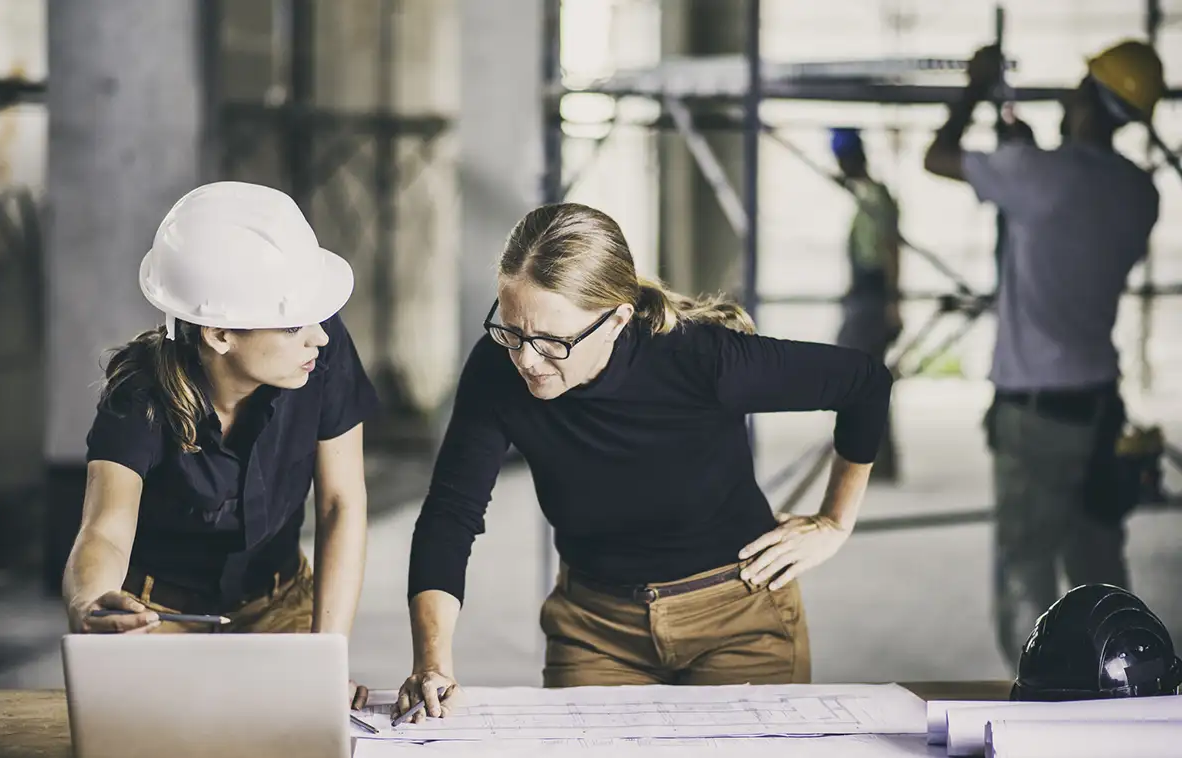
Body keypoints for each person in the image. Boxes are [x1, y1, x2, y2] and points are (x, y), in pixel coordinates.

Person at [394, 202, 894, 721]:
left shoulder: (703, 360)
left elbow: (865, 383)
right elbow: (450, 515)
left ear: (617, 320)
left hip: (737, 616)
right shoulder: (497, 370)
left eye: (552, 342)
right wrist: (433, 662)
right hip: (595, 627)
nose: (526, 359)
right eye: (513, 331)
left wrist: (834, 521)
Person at [61, 181, 379, 706]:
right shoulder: (139, 395)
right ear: (219, 334)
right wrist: (91, 604)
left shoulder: (320, 352)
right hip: (158, 618)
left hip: (281, 603)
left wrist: (325, 654)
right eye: (294, 323)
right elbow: (104, 531)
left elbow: (341, 503)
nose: (319, 336)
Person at [923, 41, 1165, 667]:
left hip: (1038, 416)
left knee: (1025, 568)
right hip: (1100, 406)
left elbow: (938, 157)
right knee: (1097, 562)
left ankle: (1041, 697)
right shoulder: (1140, 193)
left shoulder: (1041, 174)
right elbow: (1064, 212)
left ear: (1088, 101)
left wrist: (975, 89)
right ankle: (1118, 686)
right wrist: (1024, 157)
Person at [831, 127, 902, 482]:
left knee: (861, 377)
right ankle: (874, 460)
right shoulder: (867, 197)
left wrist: (893, 303)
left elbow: (889, 251)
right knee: (862, 376)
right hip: (864, 294)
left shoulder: (877, 199)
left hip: (872, 297)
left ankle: (871, 460)